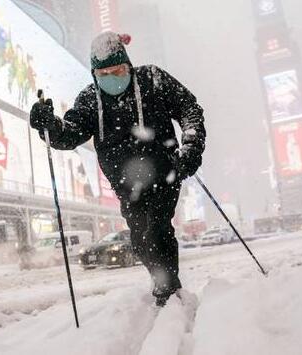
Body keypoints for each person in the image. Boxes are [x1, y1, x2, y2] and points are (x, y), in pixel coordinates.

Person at [30, 32, 206, 306]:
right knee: (140, 239)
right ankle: (163, 281)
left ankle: (168, 291)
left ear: (129, 65)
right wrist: (50, 126)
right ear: (94, 74)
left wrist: (191, 147)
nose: (113, 77)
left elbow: (189, 109)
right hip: (125, 183)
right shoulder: (90, 99)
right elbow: (70, 133)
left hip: (165, 173)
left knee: (158, 229)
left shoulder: (153, 80)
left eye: (119, 70)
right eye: (104, 73)